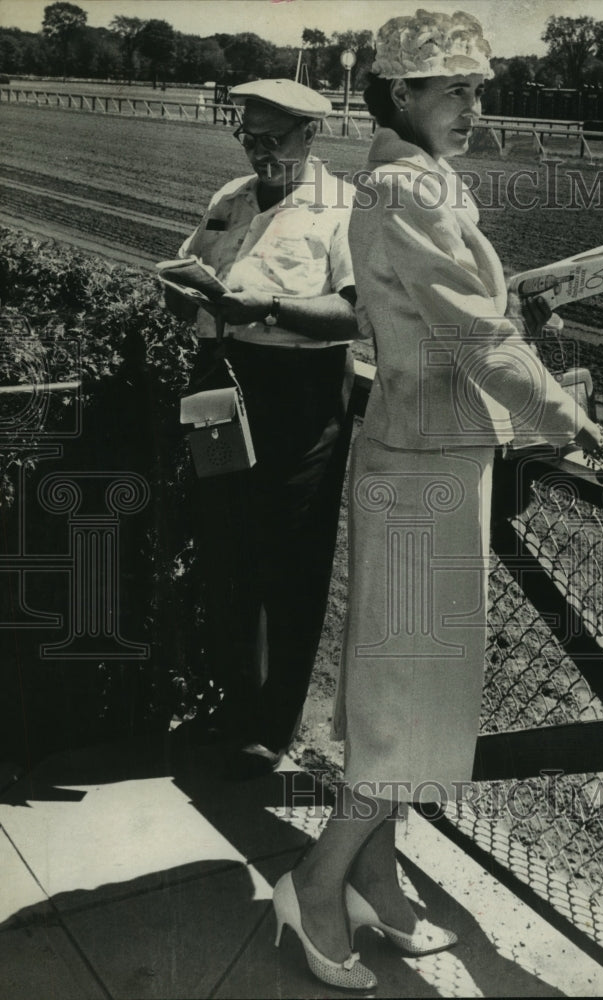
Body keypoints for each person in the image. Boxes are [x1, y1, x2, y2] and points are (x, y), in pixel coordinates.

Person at [271, 10, 603, 992]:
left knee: (413, 692)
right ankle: (316, 883)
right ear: (400, 95)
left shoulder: (411, 181)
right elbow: (484, 345)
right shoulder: (408, 187)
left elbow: (453, 320)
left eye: (475, 86)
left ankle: (375, 872)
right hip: (421, 472)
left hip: (431, 458)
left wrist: (513, 322)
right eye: (452, 88)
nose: (473, 105)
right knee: (409, 698)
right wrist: (589, 432)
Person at [164, 79, 360, 776]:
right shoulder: (230, 198)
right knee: (226, 547)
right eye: (246, 136)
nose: (256, 150)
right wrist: (183, 289)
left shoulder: (341, 210)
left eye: (271, 138)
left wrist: (269, 308)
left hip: (299, 398)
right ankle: (232, 706)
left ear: (312, 136)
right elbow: (199, 266)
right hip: (222, 382)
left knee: (290, 561)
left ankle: (270, 729)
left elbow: (355, 316)